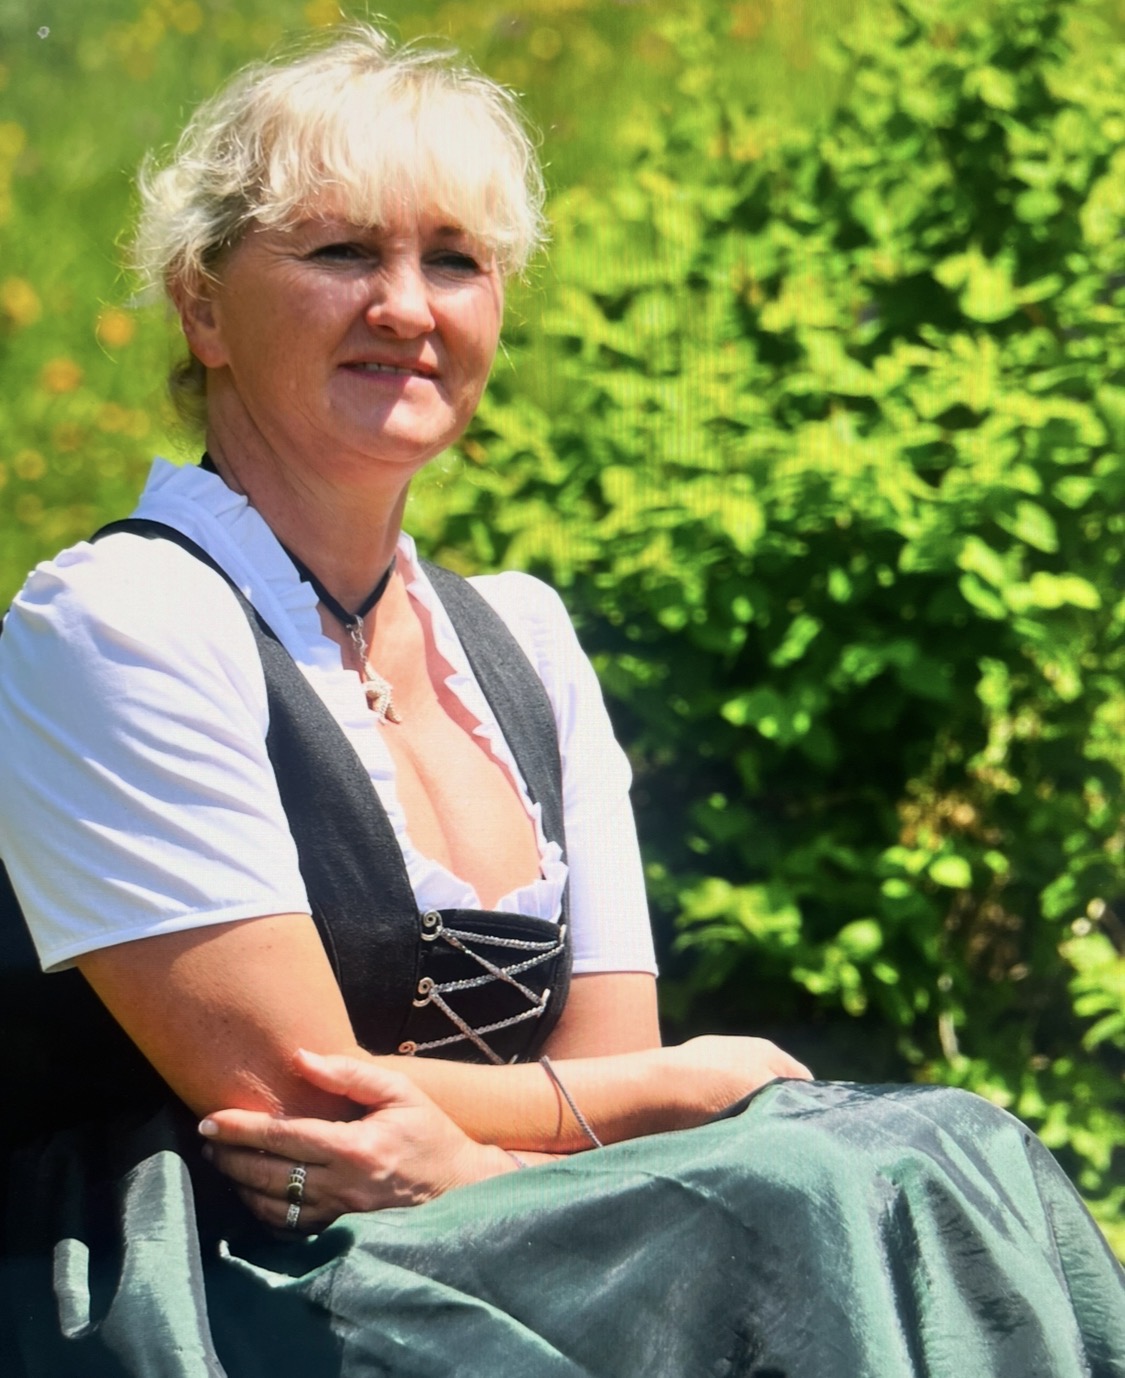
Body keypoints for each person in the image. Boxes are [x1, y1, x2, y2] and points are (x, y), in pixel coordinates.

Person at [0, 24, 1121, 1378]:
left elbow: (606, 1104)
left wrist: (485, 1164)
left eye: (454, 260)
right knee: (819, 1191)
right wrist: (686, 1082)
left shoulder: (520, 642)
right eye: (341, 251)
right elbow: (298, 1104)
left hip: (501, 1245)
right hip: (227, 1295)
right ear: (201, 304)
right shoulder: (117, 623)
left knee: (937, 1151)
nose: (406, 308)